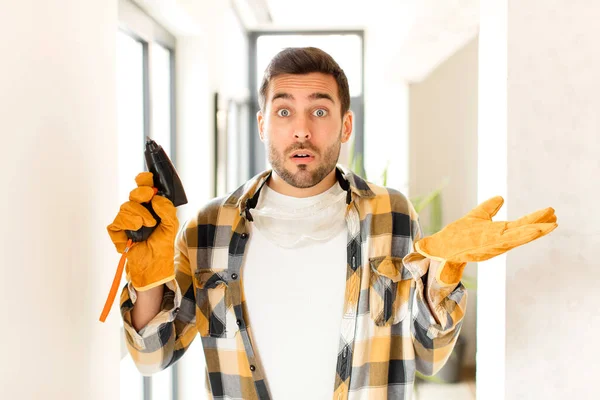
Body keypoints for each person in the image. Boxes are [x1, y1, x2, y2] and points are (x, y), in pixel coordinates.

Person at [108, 47, 558, 400]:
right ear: (263, 124)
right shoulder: (208, 227)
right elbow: (152, 358)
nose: (301, 129)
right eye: (284, 112)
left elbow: (428, 356)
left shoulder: (393, 215)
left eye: (319, 111)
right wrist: (147, 278)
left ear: (345, 125)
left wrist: (443, 276)